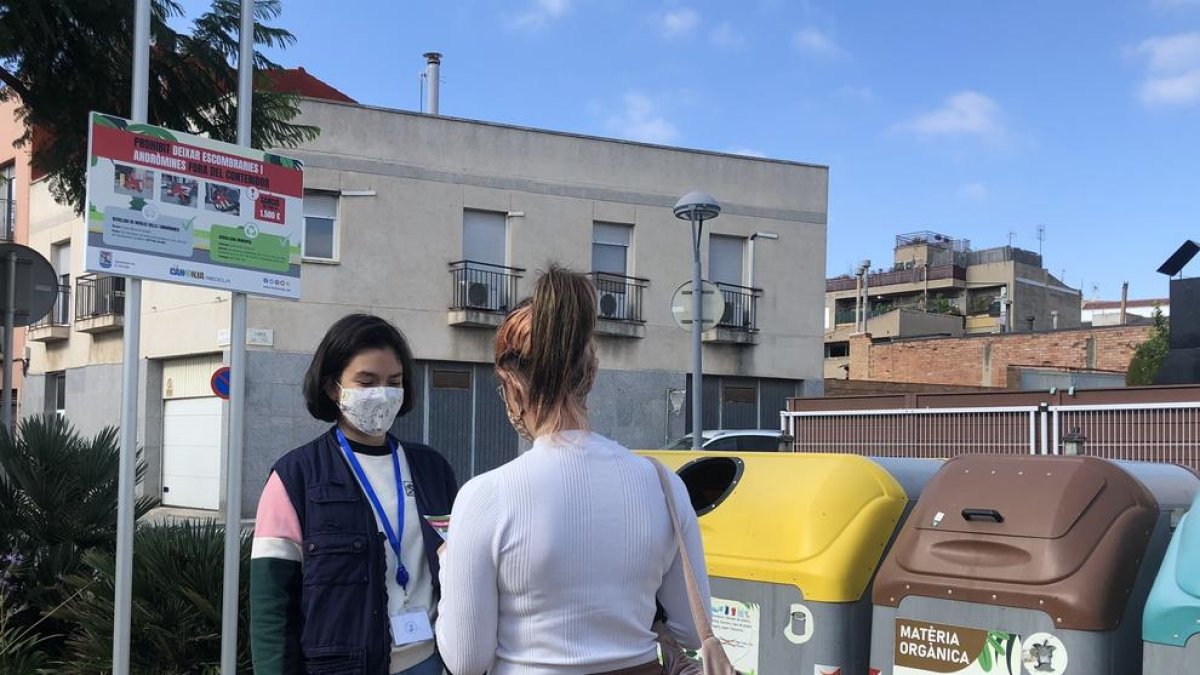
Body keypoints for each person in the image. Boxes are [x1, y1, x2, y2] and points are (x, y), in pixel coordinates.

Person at [436, 267, 709, 675]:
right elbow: (691, 630)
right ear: (590, 374)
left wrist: (447, 564)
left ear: (512, 386)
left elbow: (466, 661)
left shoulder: (486, 495)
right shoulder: (662, 483)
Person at [250, 314, 458, 675]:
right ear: (333, 387)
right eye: (366, 381)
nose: (382, 393)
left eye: (394, 382)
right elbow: (272, 608)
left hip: (429, 662)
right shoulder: (295, 477)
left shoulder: (432, 469)